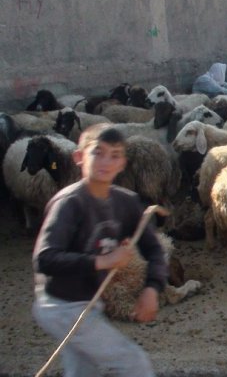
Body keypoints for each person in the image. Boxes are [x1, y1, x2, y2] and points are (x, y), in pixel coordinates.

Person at [32, 124, 167, 377]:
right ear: (79, 157)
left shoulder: (125, 202)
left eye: (115, 155)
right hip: (60, 306)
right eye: (98, 152)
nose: (106, 161)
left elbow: (154, 250)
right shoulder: (69, 204)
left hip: (89, 305)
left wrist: (152, 288)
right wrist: (101, 262)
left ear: (123, 163)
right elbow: (45, 258)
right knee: (133, 362)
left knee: (83, 371)